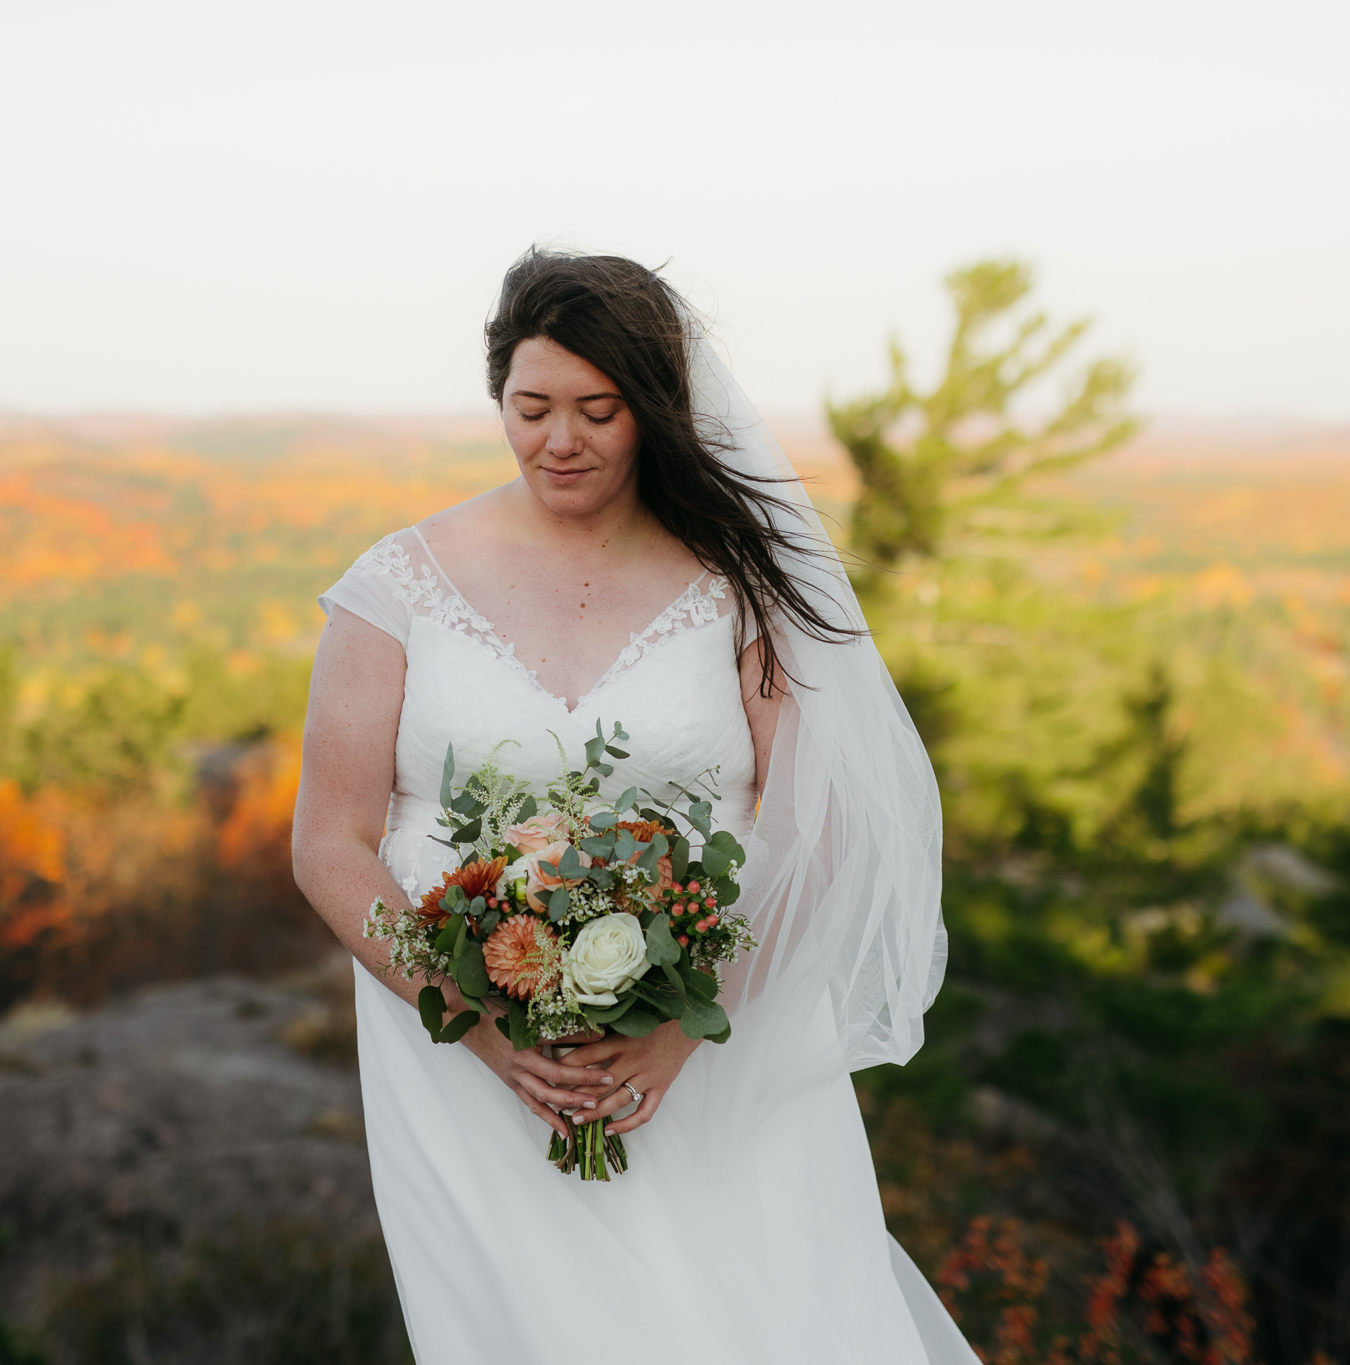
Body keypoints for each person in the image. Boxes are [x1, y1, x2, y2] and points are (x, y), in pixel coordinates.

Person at [293, 248, 973, 1363]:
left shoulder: (736, 578)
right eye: (530, 407)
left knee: (773, 1320)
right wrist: (475, 1024)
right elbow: (328, 842)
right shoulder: (394, 587)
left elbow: (818, 821)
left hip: (718, 1034)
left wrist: (680, 1033)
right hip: (462, 1053)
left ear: (651, 409)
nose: (558, 440)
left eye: (595, 410)